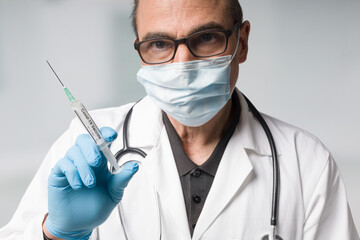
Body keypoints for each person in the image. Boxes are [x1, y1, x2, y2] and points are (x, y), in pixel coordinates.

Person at [0, 0, 359, 239]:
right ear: (139, 50)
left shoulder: (305, 162)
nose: (182, 64)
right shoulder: (86, 144)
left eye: (205, 38)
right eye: (159, 44)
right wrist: (54, 234)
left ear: (242, 42)